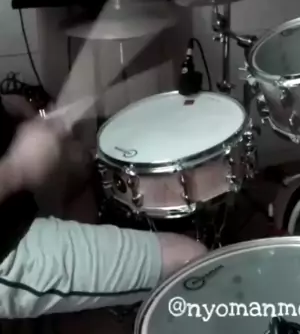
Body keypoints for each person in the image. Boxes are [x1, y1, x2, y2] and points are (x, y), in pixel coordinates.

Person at [0, 95, 208, 318]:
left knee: (80, 168)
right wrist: (16, 168)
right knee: (192, 260)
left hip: (16, 201)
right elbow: (16, 169)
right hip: (7, 245)